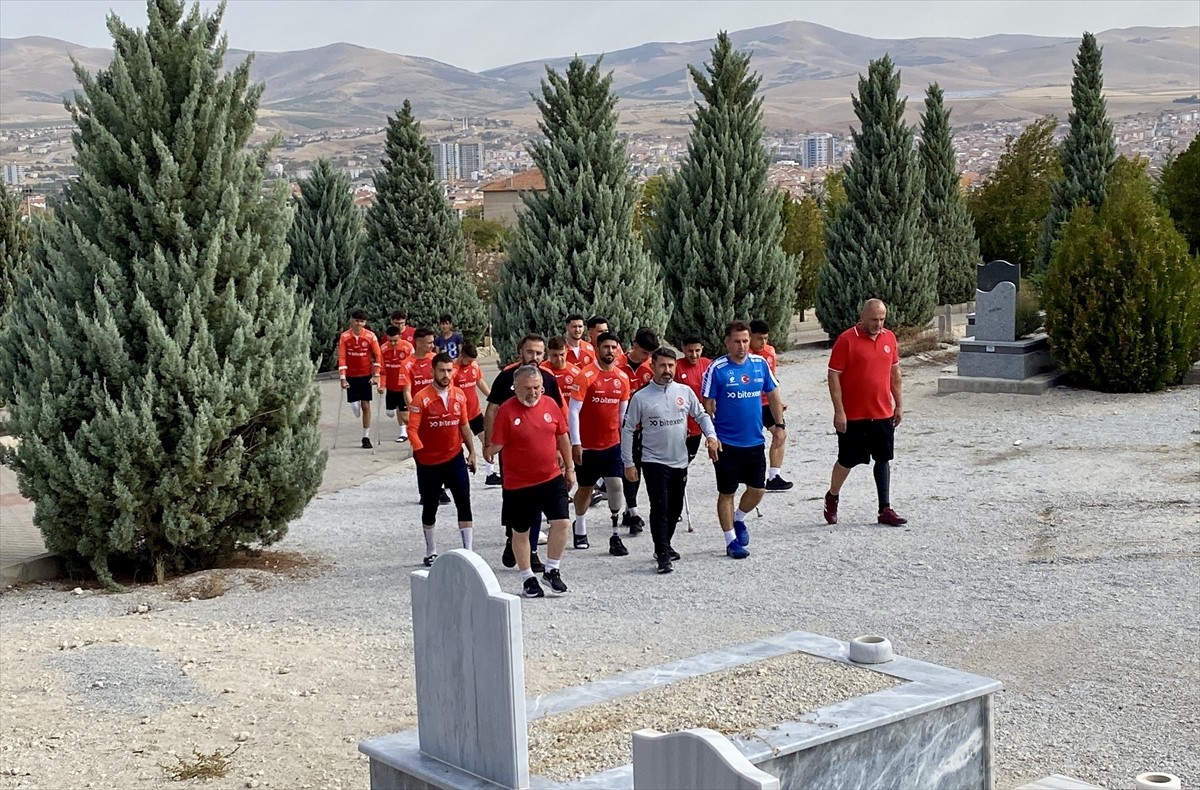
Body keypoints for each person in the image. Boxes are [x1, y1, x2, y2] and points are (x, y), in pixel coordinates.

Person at [622, 347, 720, 573]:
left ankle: (664, 544)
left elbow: (701, 415)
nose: (667, 370)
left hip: (679, 459)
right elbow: (628, 430)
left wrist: (711, 437)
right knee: (660, 506)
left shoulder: (684, 392)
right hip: (653, 460)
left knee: (674, 508)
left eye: (671, 365)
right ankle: (663, 554)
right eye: (663, 366)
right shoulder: (641, 397)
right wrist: (628, 463)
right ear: (653, 367)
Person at [485, 365, 575, 598]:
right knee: (521, 531)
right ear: (515, 389)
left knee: (562, 523)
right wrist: (488, 450)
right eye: (527, 388)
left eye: (537, 388)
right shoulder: (506, 410)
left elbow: (562, 435)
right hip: (519, 483)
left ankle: (552, 569)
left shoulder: (551, 405)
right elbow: (496, 444)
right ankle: (527, 577)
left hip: (551, 477)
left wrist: (570, 467)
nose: (533, 393)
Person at [702, 321, 786, 559]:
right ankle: (730, 541)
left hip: (754, 441)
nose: (742, 346)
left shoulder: (760, 364)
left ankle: (739, 518)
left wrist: (779, 426)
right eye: (737, 341)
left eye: (745, 341)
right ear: (727, 342)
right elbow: (706, 407)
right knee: (726, 492)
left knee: (758, 489)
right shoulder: (717, 369)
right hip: (726, 443)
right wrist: (711, 438)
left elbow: (773, 394)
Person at [824, 298, 907, 527]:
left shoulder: (889, 338)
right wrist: (839, 412)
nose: (878, 324)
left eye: (882, 319)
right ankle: (832, 496)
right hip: (853, 415)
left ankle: (885, 508)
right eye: (874, 319)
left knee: (883, 458)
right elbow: (833, 376)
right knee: (847, 460)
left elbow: (895, 374)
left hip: (881, 412)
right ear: (862, 317)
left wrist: (898, 404)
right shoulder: (847, 340)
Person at [484, 334, 564, 569]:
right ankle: (513, 537)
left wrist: (560, 449)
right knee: (514, 500)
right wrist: (488, 444)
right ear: (520, 352)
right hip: (511, 451)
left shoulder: (547, 379)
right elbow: (492, 409)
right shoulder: (506, 377)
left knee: (539, 501)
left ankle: (533, 551)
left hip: (542, 451)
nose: (535, 357)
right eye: (530, 352)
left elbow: (557, 414)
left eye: (540, 353)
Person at [407, 354, 477, 566]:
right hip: (429, 463)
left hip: (454, 457)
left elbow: (464, 425)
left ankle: (469, 552)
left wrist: (472, 451)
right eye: (442, 371)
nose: (446, 375)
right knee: (430, 507)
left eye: (449, 370)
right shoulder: (421, 398)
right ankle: (431, 550)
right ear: (433, 372)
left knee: (464, 502)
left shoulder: (459, 395)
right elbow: (412, 429)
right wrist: (419, 452)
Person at [568, 332, 633, 556]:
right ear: (597, 349)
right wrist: (576, 442)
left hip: (612, 444)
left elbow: (623, 413)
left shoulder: (622, 378)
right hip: (588, 446)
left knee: (616, 486)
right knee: (585, 488)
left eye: (614, 347)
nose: (610, 351)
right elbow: (573, 410)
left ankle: (614, 534)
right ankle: (580, 526)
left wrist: (626, 441)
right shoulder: (586, 376)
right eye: (606, 347)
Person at [616, 328, 658, 532]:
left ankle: (629, 508)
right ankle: (632, 512)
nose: (647, 358)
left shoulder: (651, 368)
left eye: (650, 354)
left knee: (640, 468)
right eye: (644, 353)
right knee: (628, 465)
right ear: (634, 346)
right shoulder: (618, 366)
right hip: (623, 427)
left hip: (647, 426)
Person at [750, 319, 794, 492]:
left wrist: (778, 401)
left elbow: (772, 381)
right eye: (759, 338)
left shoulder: (770, 353)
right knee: (752, 441)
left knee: (780, 434)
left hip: (767, 402)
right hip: (750, 403)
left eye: (766, 338)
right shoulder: (744, 355)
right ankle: (752, 475)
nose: (763, 342)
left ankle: (774, 476)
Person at [337, 309, 383, 449]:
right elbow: (342, 356)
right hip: (351, 375)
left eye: (361, 321)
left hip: (365, 375)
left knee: (365, 405)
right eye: (356, 320)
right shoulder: (345, 337)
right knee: (354, 405)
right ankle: (353, 401)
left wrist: (376, 375)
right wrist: (342, 378)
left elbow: (377, 355)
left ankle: (366, 437)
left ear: (365, 323)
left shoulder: (370, 336)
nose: (358, 324)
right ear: (351, 320)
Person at [453, 342, 492, 472]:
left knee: (487, 440)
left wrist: (492, 397)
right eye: (468, 361)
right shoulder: (452, 370)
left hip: (475, 413)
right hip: (459, 416)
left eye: (472, 361)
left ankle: (490, 473)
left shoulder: (474, 366)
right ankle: (453, 474)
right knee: (456, 446)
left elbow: (479, 381)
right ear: (462, 356)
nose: (470, 363)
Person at [675, 332, 711, 464]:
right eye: (690, 351)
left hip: (697, 422)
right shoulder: (676, 366)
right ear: (683, 348)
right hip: (679, 421)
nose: (694, 355)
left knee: (689, 457)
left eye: (697, 350)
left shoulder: (708, 365)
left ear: (702, 348)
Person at [379, 325, 415, 442]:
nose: (393, 343)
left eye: (395, 340)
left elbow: (413, 366)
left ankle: (408, 432)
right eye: (390, 341)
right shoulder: (383, 349)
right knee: (390, 412)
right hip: (391, 386)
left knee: (404, 413)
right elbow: (383, 370)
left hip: (404, 387)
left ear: (400, 336)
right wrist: (382, 385)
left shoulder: (408, 347)